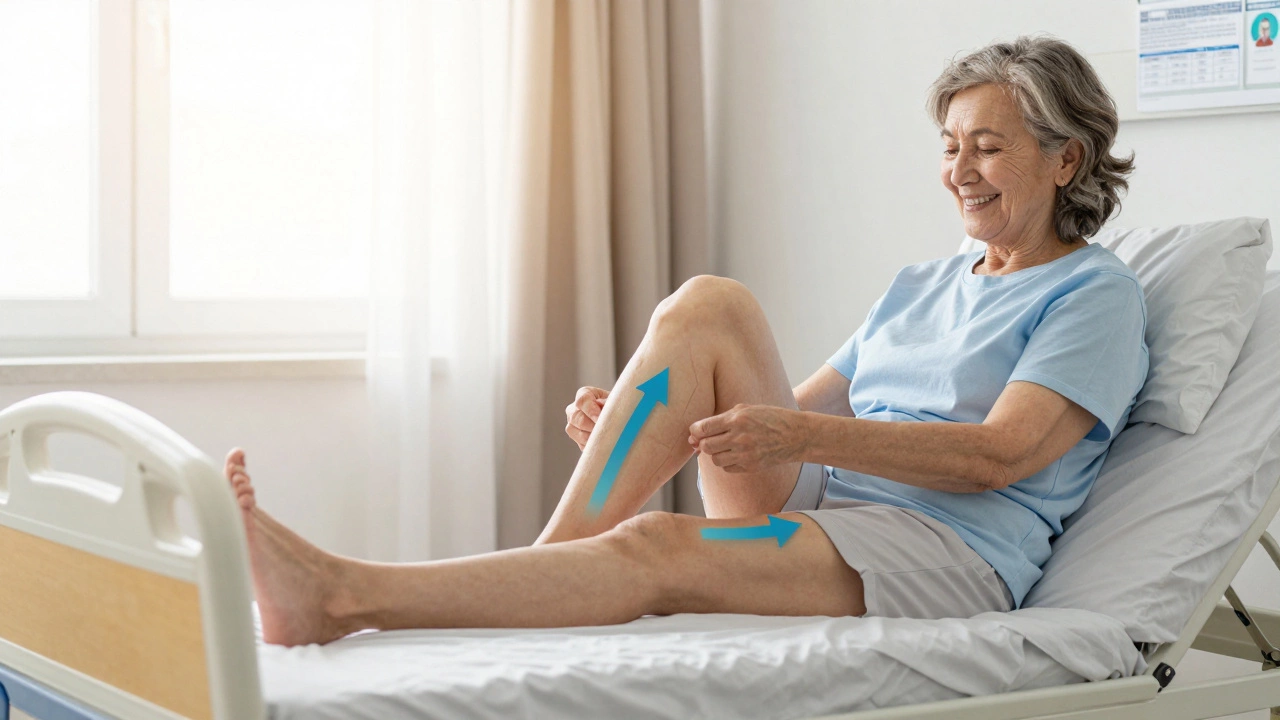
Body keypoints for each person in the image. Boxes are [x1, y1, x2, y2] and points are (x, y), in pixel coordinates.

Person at [226, 35, 1148, 647]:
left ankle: (347, 595)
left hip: (946, 546)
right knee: (711, 302)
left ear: (1064, 158)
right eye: (950, 146)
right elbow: (788, 418)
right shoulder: (929, 281)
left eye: (985, 147)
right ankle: (548, 564)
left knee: (657, 546)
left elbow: (1001, 455)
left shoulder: (1092, 293)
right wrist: (640, 410)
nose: (958, 172)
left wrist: (800, 438)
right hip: (835, 500)